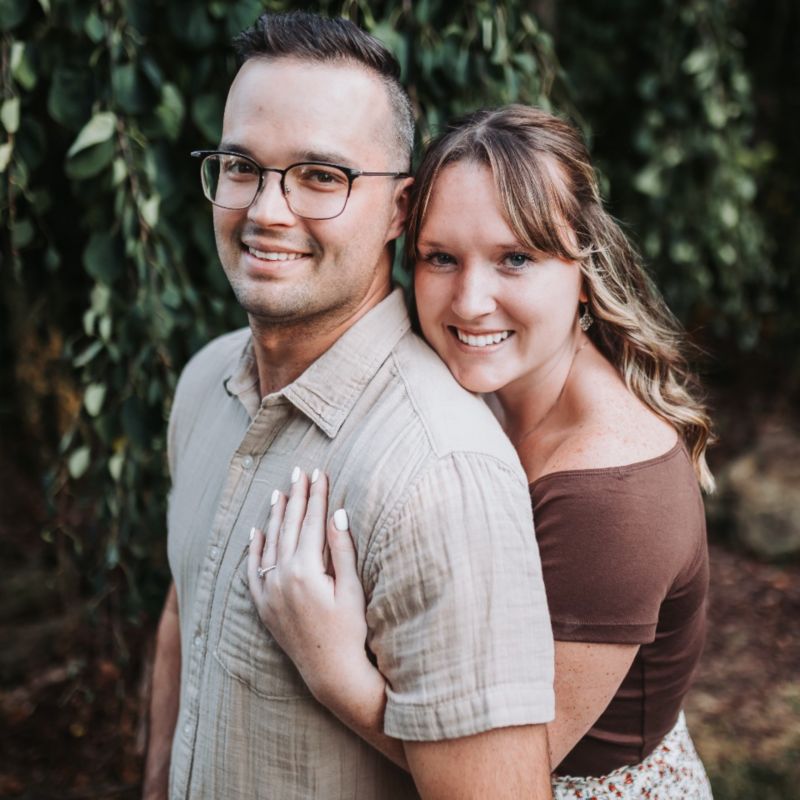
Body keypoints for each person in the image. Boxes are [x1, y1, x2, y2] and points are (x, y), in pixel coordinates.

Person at [142, 13, 557, 800]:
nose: (266, 211)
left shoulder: (439, 472)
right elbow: (182, 615)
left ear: (400, 210)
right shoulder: (202, 385)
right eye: (241, 166)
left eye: (320, 176)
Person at [248, 105, 715, 798]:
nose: (470, 302)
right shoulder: (482, 392)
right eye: (440, 258)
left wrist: (333, 668)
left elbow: (503, 773)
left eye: (515, 259)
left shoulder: (610, 499)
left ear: (584, 269)